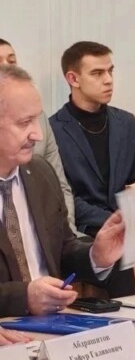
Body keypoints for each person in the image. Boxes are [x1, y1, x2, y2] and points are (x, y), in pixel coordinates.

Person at [0, 65, 125, 316]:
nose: (37, 134)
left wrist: (95, 256)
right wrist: (24, 297)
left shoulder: (41, 173)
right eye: (24, 123)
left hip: (54, 322)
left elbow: (62, 250)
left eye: (37, 119)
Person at [49, 42, 135, 237]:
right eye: (97, 73)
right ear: (73, 79)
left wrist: (132, 219)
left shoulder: (126, 123)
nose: (108, 80)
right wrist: (112, 221)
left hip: (132, 227)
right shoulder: (53, 130)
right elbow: (63, 196)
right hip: (83, 231)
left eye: (110, 71)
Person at [0, 38, 79, 234]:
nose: (37, 135)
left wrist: (66, 236)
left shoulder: (39, 121)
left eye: (11, 60)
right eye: (24, 123)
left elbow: (61, 188)